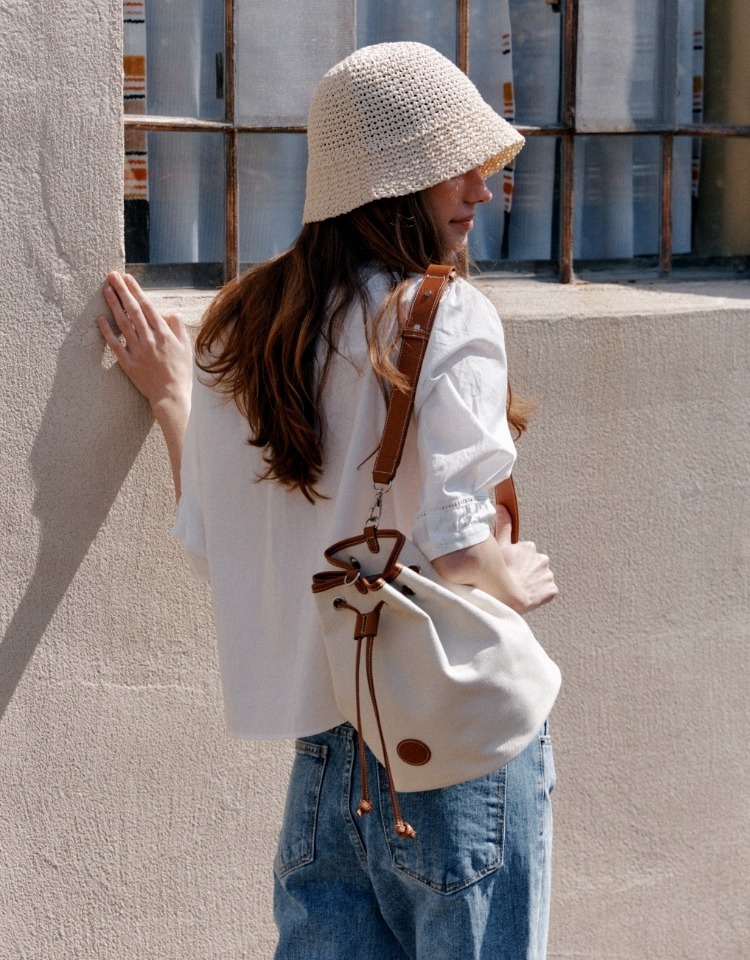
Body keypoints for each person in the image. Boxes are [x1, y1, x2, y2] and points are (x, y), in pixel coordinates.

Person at [98, 42, 558, 960]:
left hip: (326, 759)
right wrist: (511, 573)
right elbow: (460, 546)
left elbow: (218, 539)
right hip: (454, 748)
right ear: (396, 181)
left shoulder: (242, 328)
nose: (483, 188)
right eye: (457, 167)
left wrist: (172, 396)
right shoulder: (446, 313)